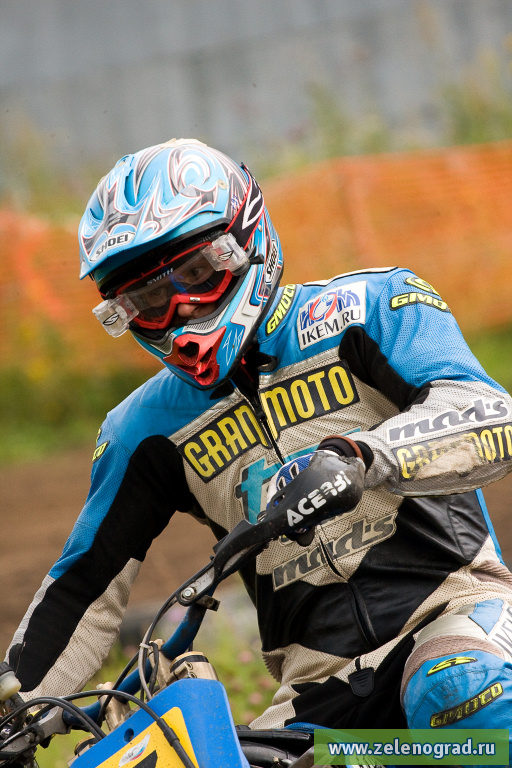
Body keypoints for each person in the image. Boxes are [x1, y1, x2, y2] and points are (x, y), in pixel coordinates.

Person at [6, 138, 512, 753]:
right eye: (149, 300)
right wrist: (13, 708)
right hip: (316, 685)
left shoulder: (371, 308)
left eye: (196, 273)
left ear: (246, 239)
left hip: (458, 615)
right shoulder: (142, 429)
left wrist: (361, 458)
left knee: (456, 689)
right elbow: (82, 587)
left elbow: (490, 417)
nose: (180, 309)